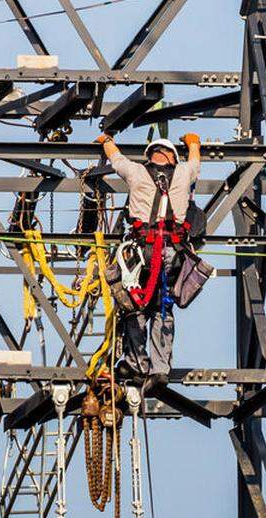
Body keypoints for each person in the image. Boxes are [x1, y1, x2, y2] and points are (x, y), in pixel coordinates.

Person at [95, 132, 202, 388]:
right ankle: (160, 369)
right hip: (172, 253)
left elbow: (116, 159)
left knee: (135, 306)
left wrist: (106, 141)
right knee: (162, 307)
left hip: (141, 253)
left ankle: (137, 364)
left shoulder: (136, 172)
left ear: (150, 156)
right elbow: (195, 161)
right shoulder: (184, 172)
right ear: (173, 158)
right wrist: (193, 142)